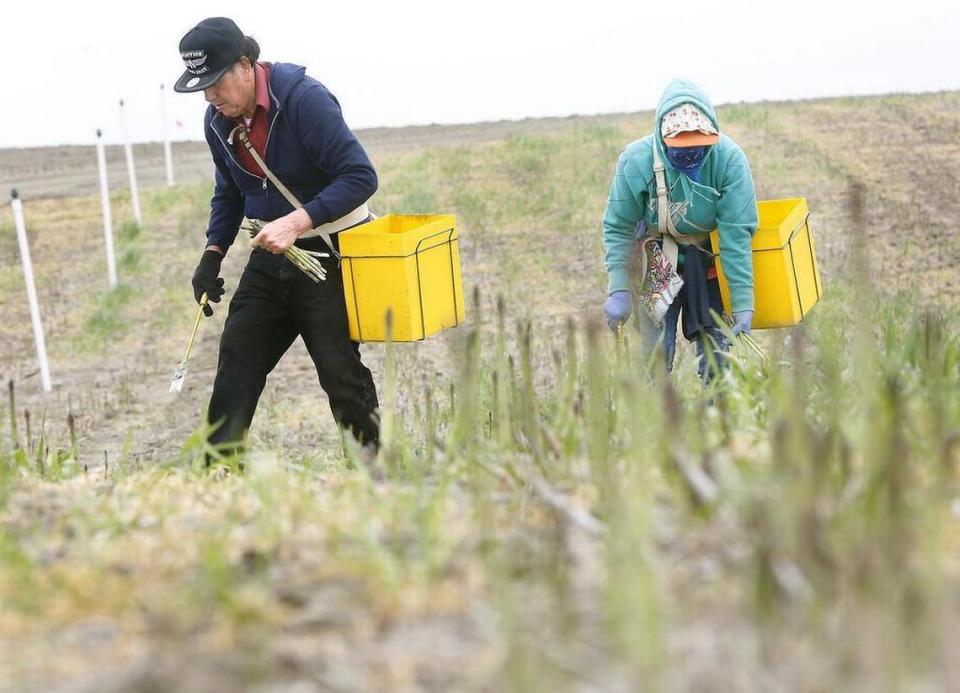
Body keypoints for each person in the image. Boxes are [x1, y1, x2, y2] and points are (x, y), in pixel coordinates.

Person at [173, 17, 380, 455]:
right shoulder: (217, 121)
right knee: (236, 364)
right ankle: (218, 480)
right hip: (272, 258)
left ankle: (375, 476)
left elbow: (360, 176)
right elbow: (229, 192)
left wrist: (297, 222)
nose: (210, 96)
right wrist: (211, 254)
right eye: (201, 86)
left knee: (340, 373)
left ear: (245, 64)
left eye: (215, 82)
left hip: (329, 255)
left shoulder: (304, 99)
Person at [601, 79, 758, 379]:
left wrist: (742, 302)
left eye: (698, 148)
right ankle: (656, 422)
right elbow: (619, 226)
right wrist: (619, 287)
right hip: (659, 265)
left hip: (711, 266)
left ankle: (718, 420)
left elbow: (736, 237)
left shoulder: (730, 161)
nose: (690, 156)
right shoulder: (636, 161)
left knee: (719, 361)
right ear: (663, 139)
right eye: (680, 149)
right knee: (654, 357)